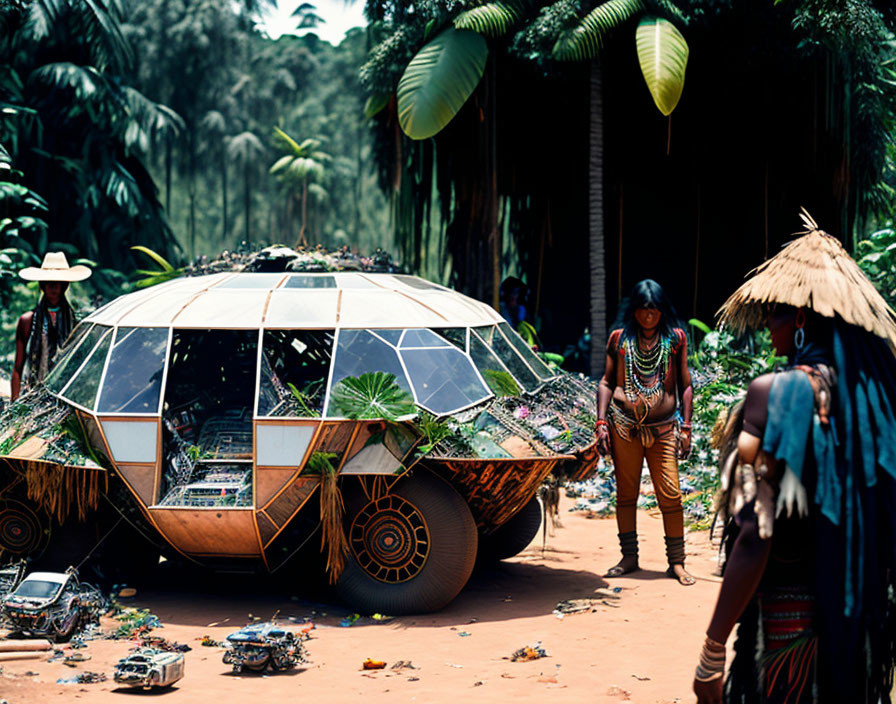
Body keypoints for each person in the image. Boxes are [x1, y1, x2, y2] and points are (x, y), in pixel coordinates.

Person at [693, 213, 896, 703]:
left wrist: (712, 652)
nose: (768, 328)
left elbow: (755, 533)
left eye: (775, 316)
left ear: (801, 318)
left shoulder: (776, 393)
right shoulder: (876, 404)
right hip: (857, 630)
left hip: (787, 632)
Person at [595, 279, 695, 586]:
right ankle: (629, 557)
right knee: (626, 495)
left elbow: (685, 384)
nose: (649, 317)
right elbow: (607, 383)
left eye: (653, 311)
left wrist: (687, 426)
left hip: (664, 430)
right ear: (635, 311)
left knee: (671, 495)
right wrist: (600, 422)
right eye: (643, 310)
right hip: (624, 428)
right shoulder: (619, 340)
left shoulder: (675, 339)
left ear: (662, 311)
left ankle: (676, 563)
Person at [11, 251, 91, 400]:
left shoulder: (75, 323)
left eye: (58, 283)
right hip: (33, 395)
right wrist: (14, 405)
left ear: (64, 286)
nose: (53, 287)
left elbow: (80, 366)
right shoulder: (28, 321)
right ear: (42, 285)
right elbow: (18, 367)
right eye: (49, 282)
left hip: (66, 397)